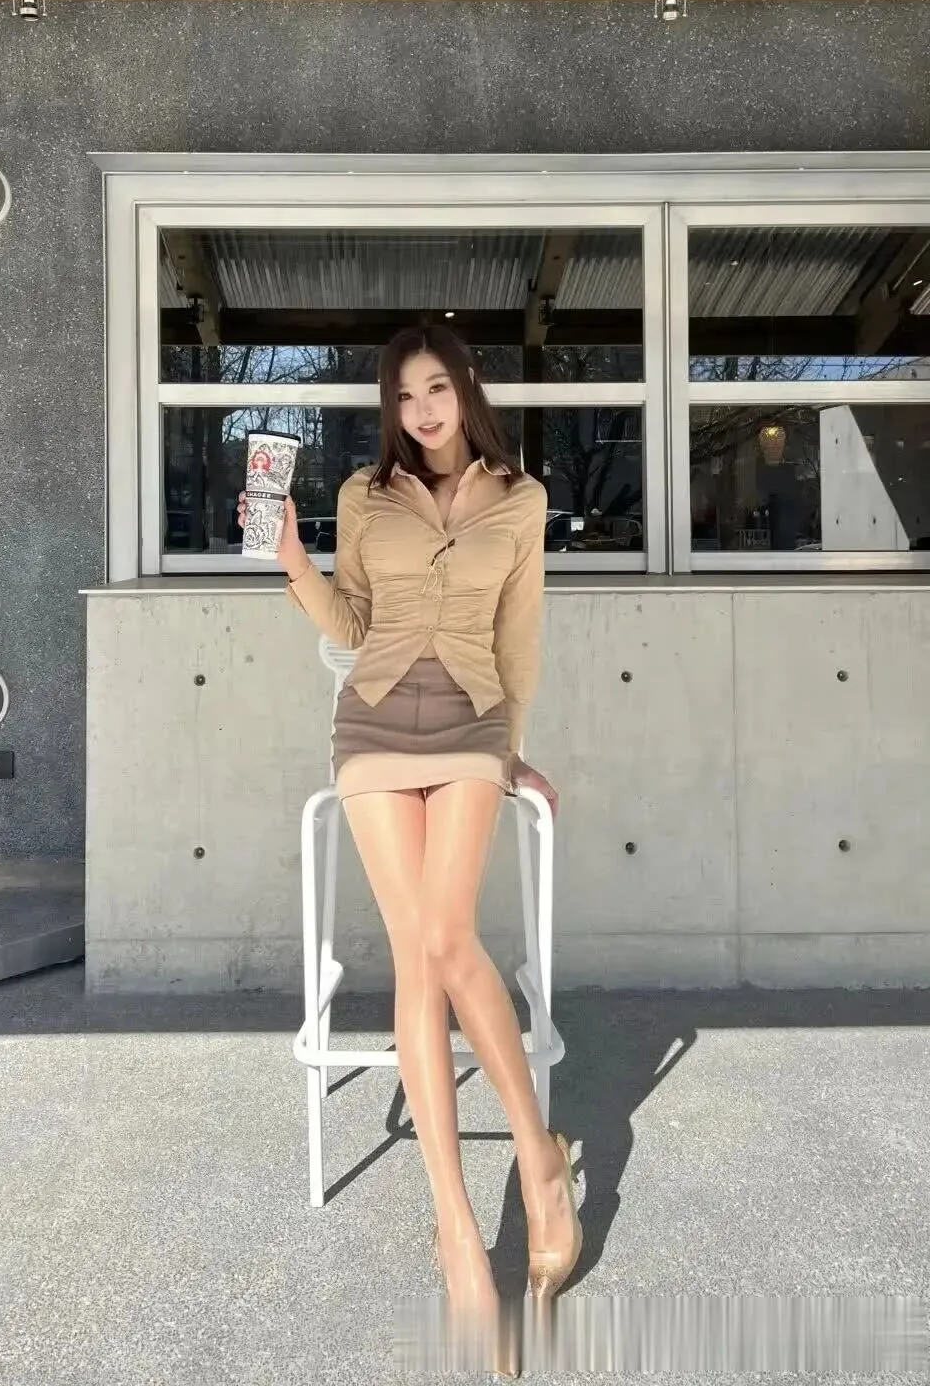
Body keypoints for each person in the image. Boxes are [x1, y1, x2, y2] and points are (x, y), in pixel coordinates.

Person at [238, 325, 581, 1373]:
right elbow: (350, 621)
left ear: (466, 388)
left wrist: (512, 753)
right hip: (375, 723)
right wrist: (292, 562)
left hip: (473, 721)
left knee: (446, 938)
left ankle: (538, 1160)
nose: (422, 410)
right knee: (413, 957)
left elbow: (520, 637)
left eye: (437, 388)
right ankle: (457, 1234)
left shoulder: (520, 499)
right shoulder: (363, 494)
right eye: (403, 395)